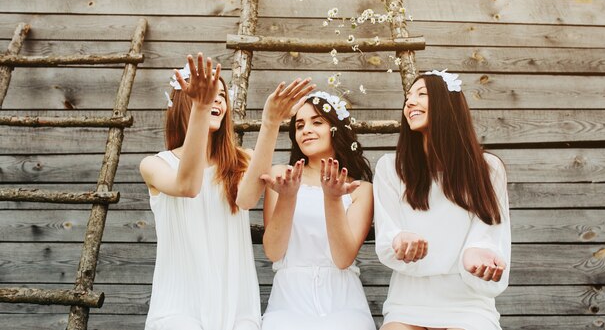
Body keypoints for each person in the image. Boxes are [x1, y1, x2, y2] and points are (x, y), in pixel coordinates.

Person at [374, 69, 511, 330]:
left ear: (446, 105)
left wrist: (476, 254)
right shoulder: (390, 168)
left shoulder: (488, 168)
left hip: (468, 303)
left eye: (421, 94)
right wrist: (398, 239)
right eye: (408, 97)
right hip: (409, 300)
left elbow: (491, 232)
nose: (410, 102)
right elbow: (388, 231)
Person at [139, 53, 261, 330]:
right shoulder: (156, 165)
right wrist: (201, 109)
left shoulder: (243, 161)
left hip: (237, 308)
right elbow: (187, 186)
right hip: (178, 308)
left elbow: (251, 197)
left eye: (221, 96)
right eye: (207, 95)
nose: (217, 100)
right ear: (185, 103)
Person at [238, 88, 376, 330]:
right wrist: (288, 197)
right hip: (289, 298)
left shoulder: (359, 189)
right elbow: (273, 251)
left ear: (336, 129)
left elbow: (343, 259)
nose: (306, 130)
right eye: (299, 125)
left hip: (342, 298)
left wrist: (332, 199)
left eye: (317, 122)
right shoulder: (281, 175)